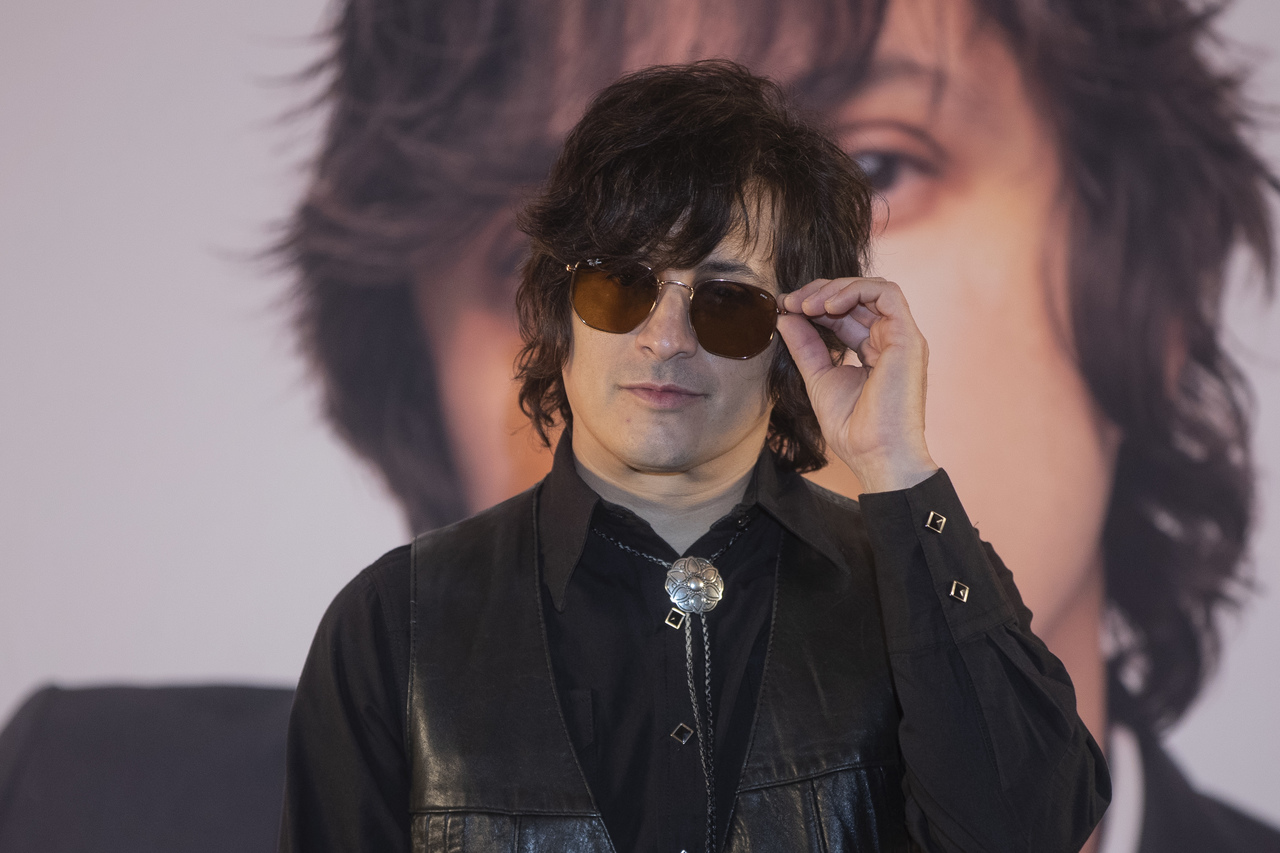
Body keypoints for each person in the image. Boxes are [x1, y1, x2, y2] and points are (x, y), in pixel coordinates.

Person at [281, 0, 1280, 848]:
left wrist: (898, 470)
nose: (664, 339)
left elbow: (1030, 830)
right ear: (549, 312)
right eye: (618, 286)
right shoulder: (393, 624)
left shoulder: (912, 592)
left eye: (726, 300)